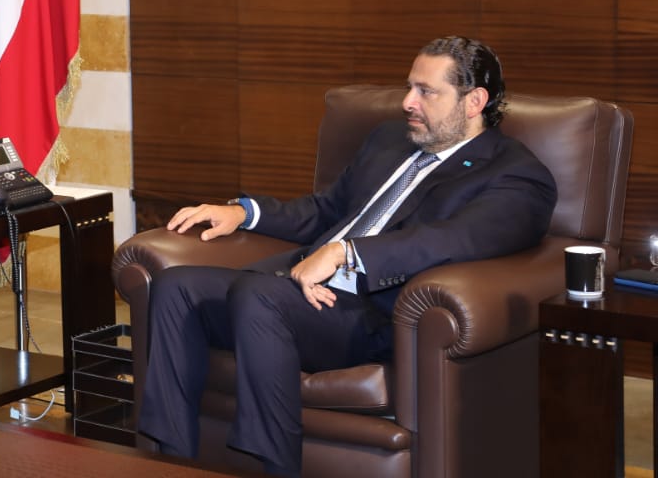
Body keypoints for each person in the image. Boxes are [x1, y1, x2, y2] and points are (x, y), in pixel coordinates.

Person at [137, 37, 557, 477]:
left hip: (370, 313)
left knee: (257, 295)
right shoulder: (390, 140)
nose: (408, 102)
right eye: (409, 87)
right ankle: (171, 462)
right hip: (295, 292)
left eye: (426, 92)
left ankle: (276, 467)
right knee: (176, 285)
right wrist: (245, 212)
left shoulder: (515, 174)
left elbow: (455, 239)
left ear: (474, 101)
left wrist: (347, 253)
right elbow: (327, 210)